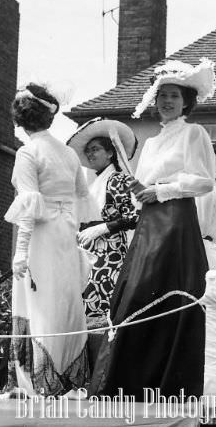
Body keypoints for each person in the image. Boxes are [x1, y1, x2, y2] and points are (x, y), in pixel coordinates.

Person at [89, 58, 216, 397]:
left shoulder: (194, 133)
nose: (167, 101)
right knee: (136, 294)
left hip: (176, 222)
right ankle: (130, 381)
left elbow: (204, 182)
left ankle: (175, 380)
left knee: (166, 288)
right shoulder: (149, 143)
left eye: (174, 95)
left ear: (186, 101)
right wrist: (139, 191)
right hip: (148, 223)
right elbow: (143, 185)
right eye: (162, 95)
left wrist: (161, 190)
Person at [2, 83, 95, 396]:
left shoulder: (29, 152)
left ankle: (38, 382)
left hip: (41, 236)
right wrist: (70, 229)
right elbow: (83, 198)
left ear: (21, 119)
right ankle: (68, 377)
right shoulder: (69, 153)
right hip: (65, 234)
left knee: (39, 303)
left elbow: (28, 206)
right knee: (64, 301)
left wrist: (20, 252)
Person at [66, 118, 139, 319]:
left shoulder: (118, 179)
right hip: (89, 247)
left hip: (110, 251)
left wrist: (101, 228)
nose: (90, 154)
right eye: (88, 150)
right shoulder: (95, 183)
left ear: (109, 153)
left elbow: (133, 216)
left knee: (101, 299)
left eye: (95, 149)